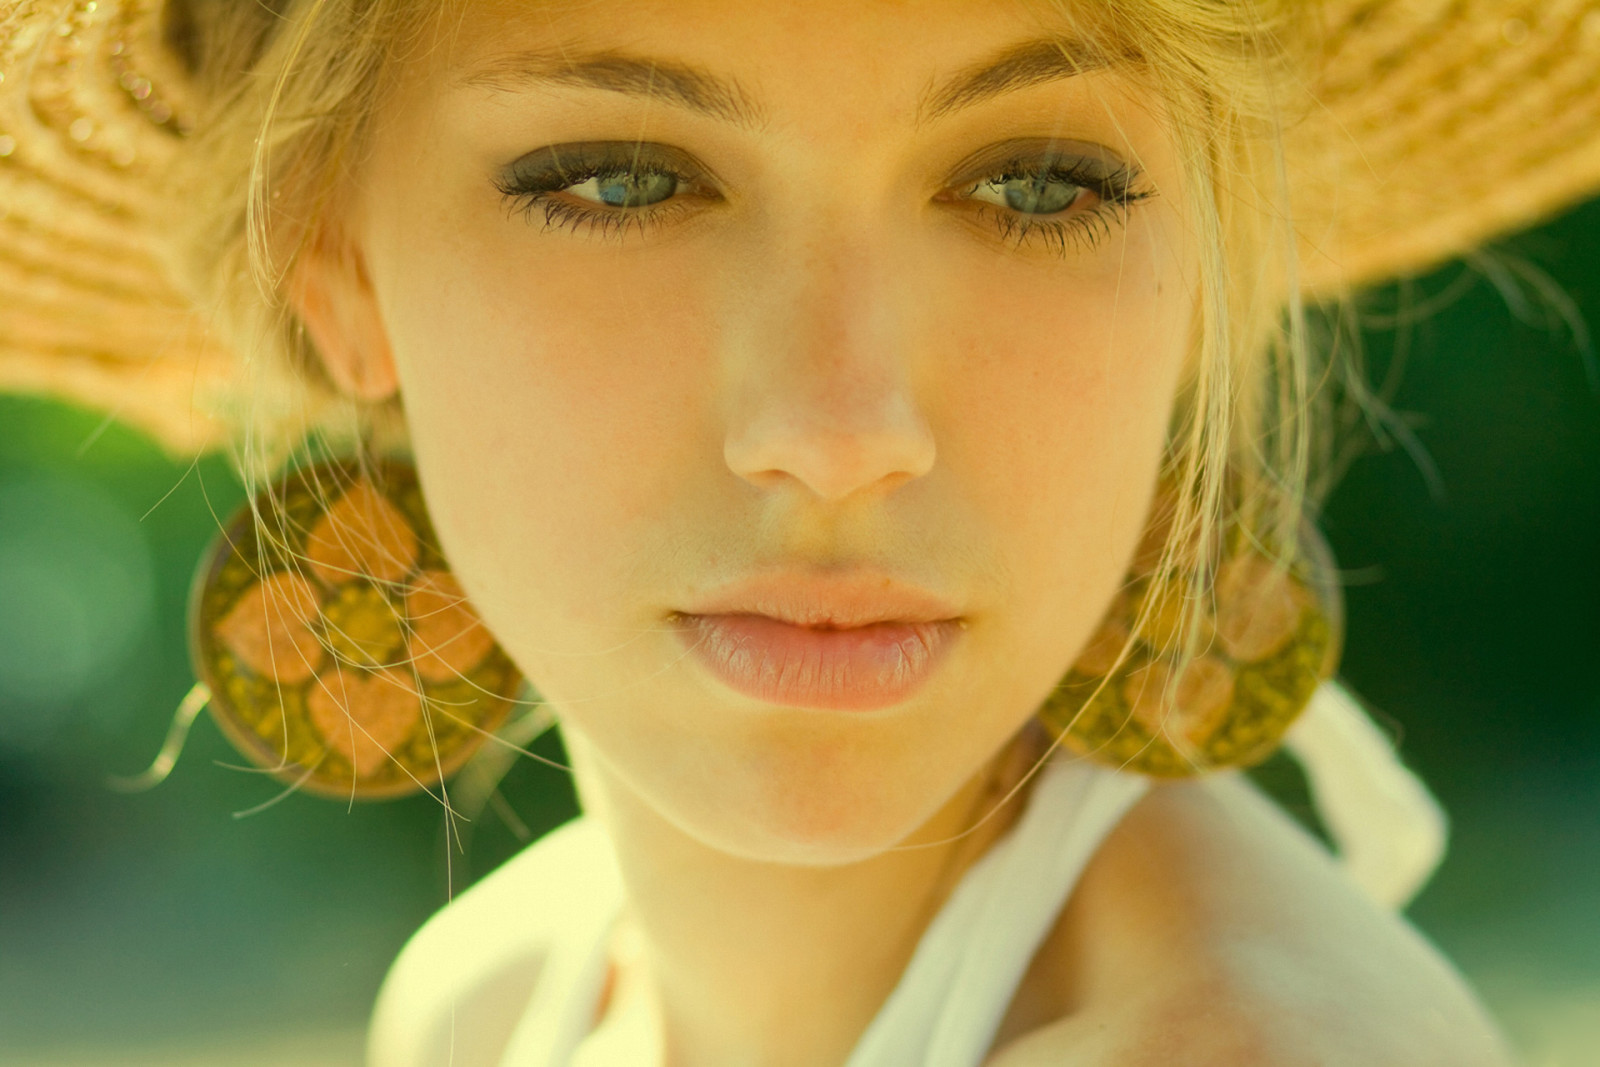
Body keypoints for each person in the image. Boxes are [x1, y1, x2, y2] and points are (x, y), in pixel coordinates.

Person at [4, 1, 1598, 1064]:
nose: (841, 428)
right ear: (331, 267)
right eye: (623, 178)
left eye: (1039, 183)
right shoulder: (495, 1006)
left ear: (1206, 260)